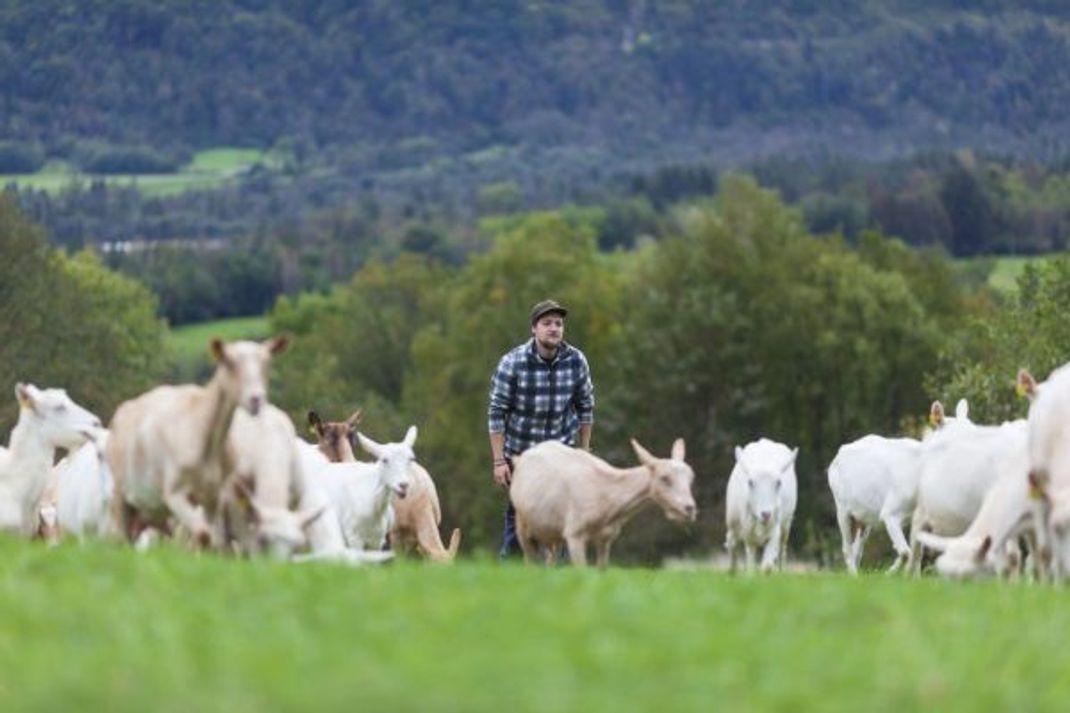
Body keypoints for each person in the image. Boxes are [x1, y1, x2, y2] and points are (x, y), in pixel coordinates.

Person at [487, 299, 595, 558]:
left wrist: (584, 451)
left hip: (563, 458)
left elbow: (586, 407)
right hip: (523, 459)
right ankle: (510, 571)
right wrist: (499, 461)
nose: (554, 329)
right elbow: (496, 412)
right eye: (547, 323)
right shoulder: (512, 363)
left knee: (569, 518)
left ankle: (567, 578)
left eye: (558, 324)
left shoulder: (576, 361)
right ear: (533, 329)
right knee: (520, 519)